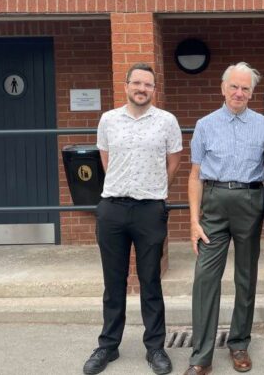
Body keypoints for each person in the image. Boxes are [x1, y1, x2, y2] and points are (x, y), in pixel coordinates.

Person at [83, 63, 182, 375]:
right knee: (114, 283)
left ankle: (155, 348)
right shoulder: (108, 120)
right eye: (137, 83)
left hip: (149, 210)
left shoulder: (167, 121)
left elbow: (174, 161)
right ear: (126, 85)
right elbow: (106, 159)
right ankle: (108, 346)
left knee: (150, 281)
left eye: (148, 85)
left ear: (154, 89)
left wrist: (153, 189)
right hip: (112, 208)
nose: (142, 89)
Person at [184, 62, 264, 375]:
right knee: (206, 279)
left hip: (250, 201)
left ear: (252, 92)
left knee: (245, 277)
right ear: (223, 88)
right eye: (234, 86)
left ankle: (238, 343)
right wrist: (194, 221)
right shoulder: (205, 124)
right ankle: (201, 355)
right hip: (214, 203)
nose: (239, 92)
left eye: (245, 88)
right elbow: (194, 176)